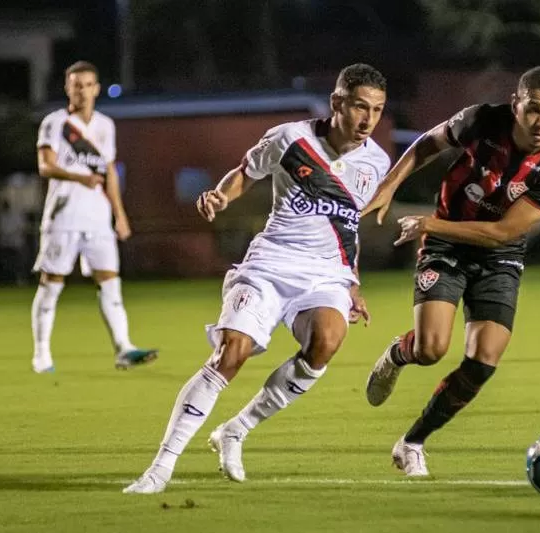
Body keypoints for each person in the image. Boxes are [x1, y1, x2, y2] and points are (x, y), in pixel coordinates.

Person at [124, 63, 389, 494]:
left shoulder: (376, 161)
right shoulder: (290, 139)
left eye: (377, 110)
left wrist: (352, 281)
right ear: (338, 102)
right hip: (271, 263)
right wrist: (220, 196)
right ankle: (161, 468)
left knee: (327, 341)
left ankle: (237, 428)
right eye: (361, 107)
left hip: (325, 274)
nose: (368, 120)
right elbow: (245, 172)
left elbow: (347, 225)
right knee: (232, 353)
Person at [363, 66, 540, 476]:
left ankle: (412, 442)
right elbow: (427, 143)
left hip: (498, 253)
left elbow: (502, 232)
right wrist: (389, 186)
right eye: (534, 109)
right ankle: (397, 354)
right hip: (446, 246)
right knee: (430, 350)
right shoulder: (481, 120)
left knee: (483, 360)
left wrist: (428, 222)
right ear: (516, 105)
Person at [31, 61, 157, 372]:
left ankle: (123, 347)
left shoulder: (105, 125)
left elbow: (109, 171)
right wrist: (78, 178)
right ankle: (41, 353)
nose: (82, 91)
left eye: (88, 85)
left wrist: (120, 214)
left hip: (98, 219)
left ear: (97, 88)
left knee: (110, 283)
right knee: (51, 284)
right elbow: (45, 166)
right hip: (63, 217)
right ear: (67, 88)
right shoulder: (55, 123)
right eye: (76, 85)